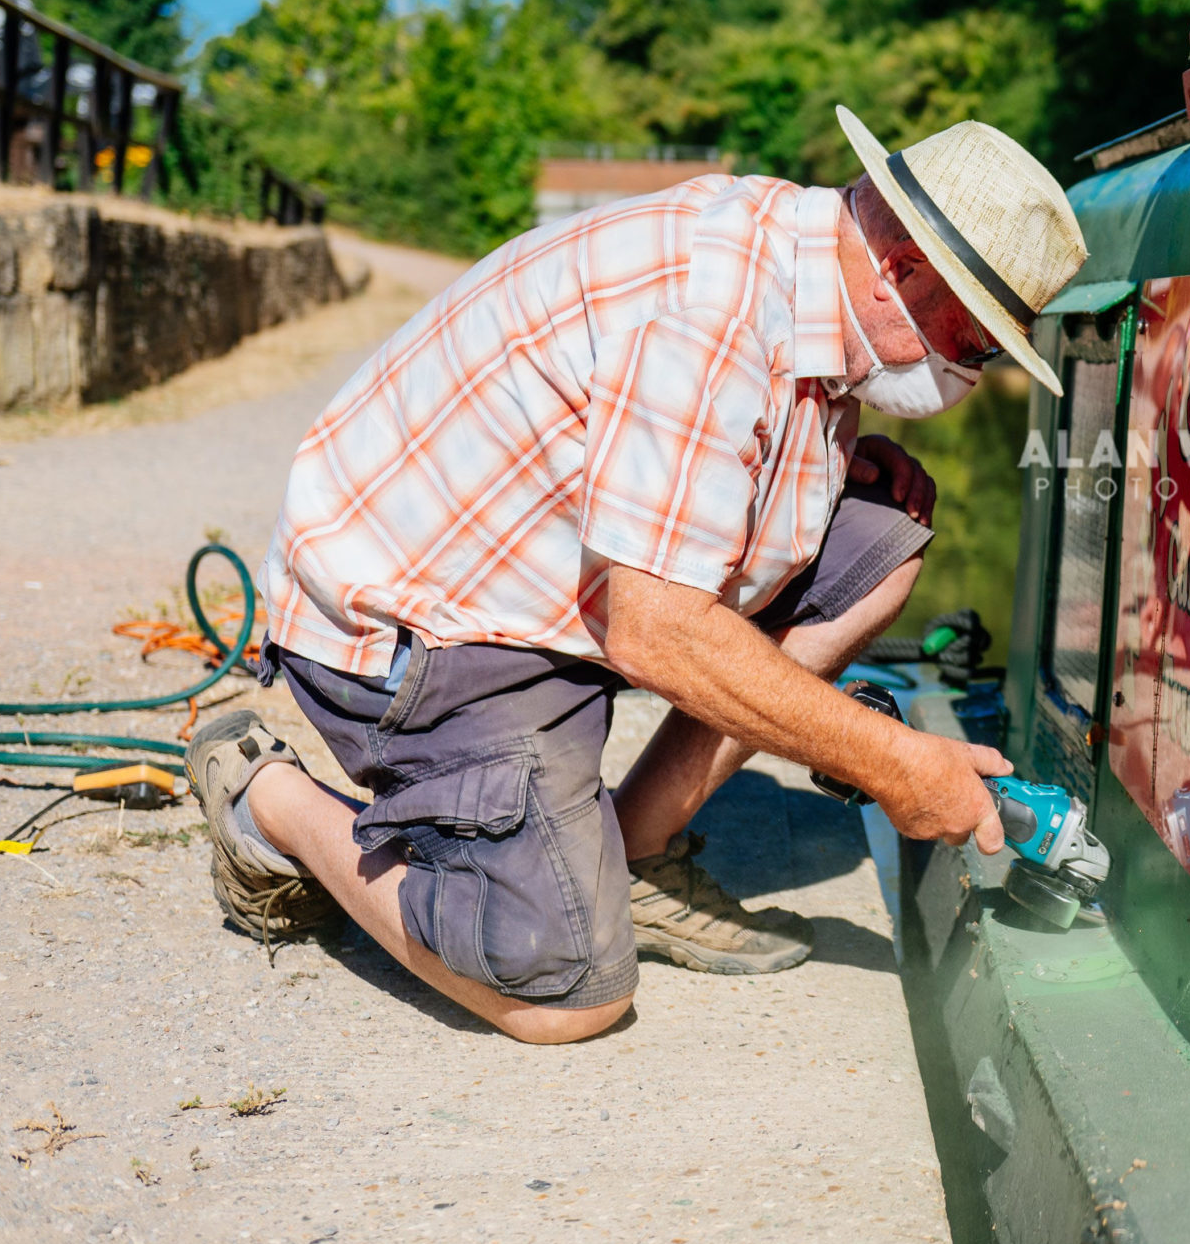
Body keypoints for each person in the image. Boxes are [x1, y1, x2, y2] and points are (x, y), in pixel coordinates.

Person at [188, 107, 1086, 1045]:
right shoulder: (714, 308)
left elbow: (700, 445)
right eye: (977, 344)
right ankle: (265, 797)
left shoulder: (804, 259)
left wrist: (817, 466)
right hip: (416, 622)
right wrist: (898, 763)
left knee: (876, 540)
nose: (970, 375)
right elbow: (655, 629)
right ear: (902, 269)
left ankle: (634, 853)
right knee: (565, 990)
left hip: (541, 576)